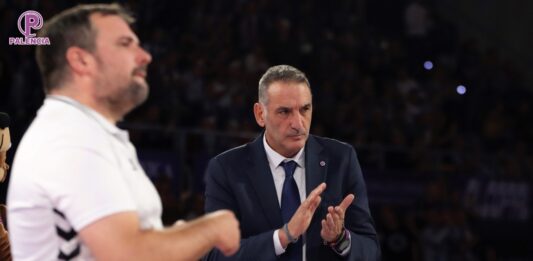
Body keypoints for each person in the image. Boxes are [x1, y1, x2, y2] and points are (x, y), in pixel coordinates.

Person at [7, 4, 239, 260]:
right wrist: (211, 228)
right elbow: (130, 254)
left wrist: (175, 238)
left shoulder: (88, 132)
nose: (145, 56)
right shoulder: (69, 138)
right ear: (81, 60)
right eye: (125, 43)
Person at [204, 65, 380, 260]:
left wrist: (340, 239)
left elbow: (371, 251)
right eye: (284, 112)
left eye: (305, 109)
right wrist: (283, 237)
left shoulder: (341, 159)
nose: (298, 124)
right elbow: (215, 255)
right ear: (260, 114)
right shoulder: (227, 169)